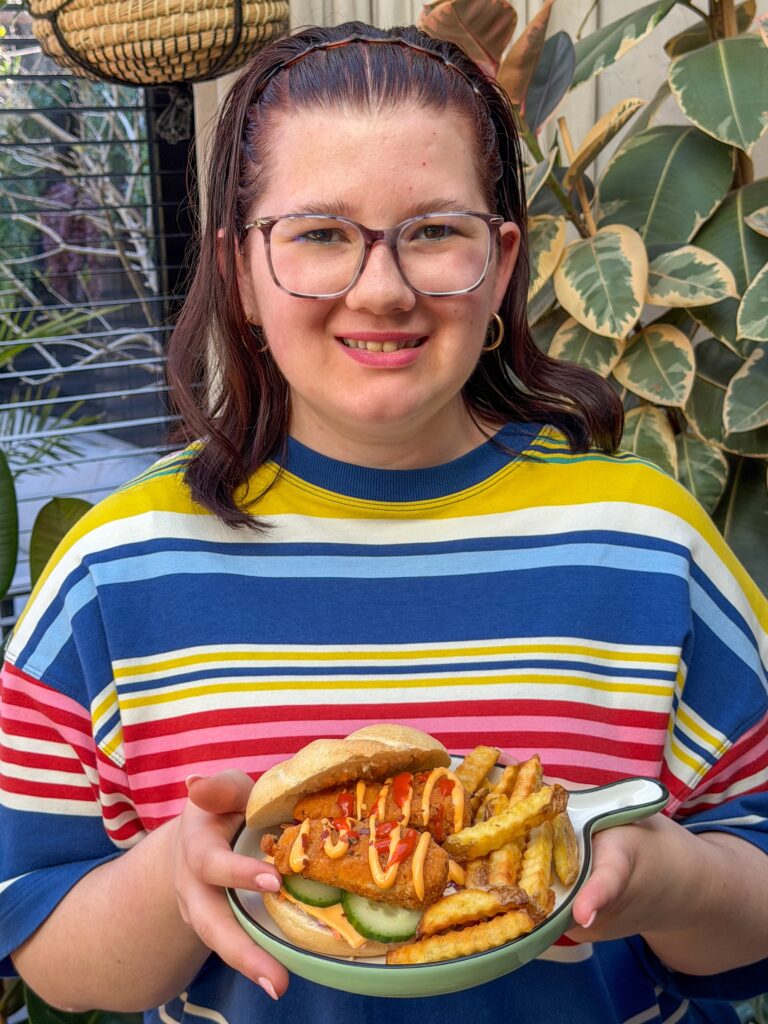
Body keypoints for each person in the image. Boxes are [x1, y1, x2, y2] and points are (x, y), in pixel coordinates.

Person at [1, 20, 766, 1024]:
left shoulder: (653, 548)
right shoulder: (110, 576)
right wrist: (169, 882)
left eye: (432, 231)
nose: (383, 288)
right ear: (239, 269)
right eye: (320, 234)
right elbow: (41, 940)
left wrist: (668, 882)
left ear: (498, 264)